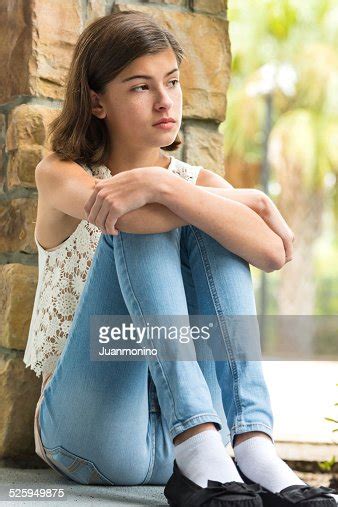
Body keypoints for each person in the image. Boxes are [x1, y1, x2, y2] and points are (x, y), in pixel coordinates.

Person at [23, 10, 337, 507]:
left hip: (203, 444)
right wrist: (242, 199)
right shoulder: (61, 172)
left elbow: (274, 252)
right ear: (96, 101)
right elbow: (127, 218)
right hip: (95, 429)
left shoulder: (197, 183)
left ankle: (252, 443)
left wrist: (166, 184)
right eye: (140, 87)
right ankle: (203, 442)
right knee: (130, 212)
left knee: (203, 216)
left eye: (171, 81)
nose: (165, 100)